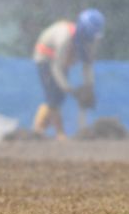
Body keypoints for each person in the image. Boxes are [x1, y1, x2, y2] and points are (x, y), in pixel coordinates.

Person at [32, 9, 105, 139]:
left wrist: (89, 87)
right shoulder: (65, 38)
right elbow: (56, 68)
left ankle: (38, 129)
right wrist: (70, 89)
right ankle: (60, 134)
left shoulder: (90, 41)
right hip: (45, 58)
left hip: (61, 61)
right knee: (53, 95)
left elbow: (88, 65)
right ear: (82, 31)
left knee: (59, 97)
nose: (90, 40)